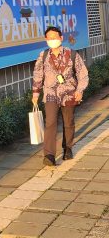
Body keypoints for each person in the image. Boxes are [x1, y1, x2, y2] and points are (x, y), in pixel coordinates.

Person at [32, 26, 89, 166]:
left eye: (55, 37)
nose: (52, 40)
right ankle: (49, 155)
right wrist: (35, 93)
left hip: (69, 94)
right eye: (49, 38)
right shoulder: (43, 55)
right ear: (46, 39)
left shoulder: (72, 54)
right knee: (50, 122)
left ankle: (68, 148)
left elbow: (83, 74)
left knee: (68, 122)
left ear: (61, 38)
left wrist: (79, 90)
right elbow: (38, 75)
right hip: (50, 94)